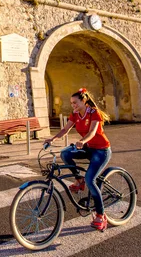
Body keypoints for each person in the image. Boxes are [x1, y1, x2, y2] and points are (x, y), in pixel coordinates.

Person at [44, 87, 111, 231]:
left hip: (101, 150)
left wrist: (83, 140)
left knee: (90, 180)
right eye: (71, 103)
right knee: (65, 153)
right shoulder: (75, 114)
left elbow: (93, 132)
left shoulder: (94, 113)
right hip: (87, 148)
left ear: (84, 100)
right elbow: (65, 129)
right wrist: (53, 138)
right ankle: (79, 181)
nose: (73, 105)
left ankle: (101, 215)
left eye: (75, 102)